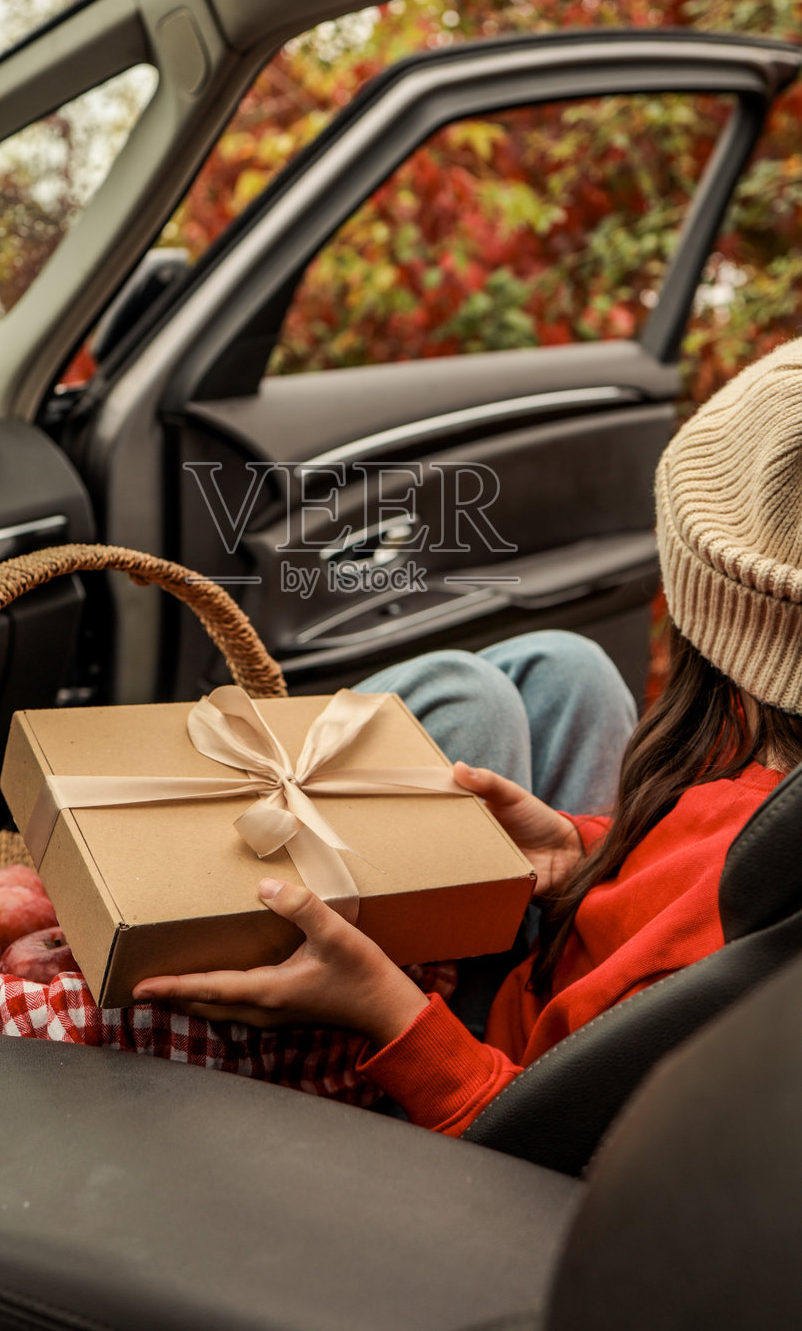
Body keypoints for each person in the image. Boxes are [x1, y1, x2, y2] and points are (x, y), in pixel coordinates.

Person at [127, 337, 802, 1132]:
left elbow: (537, 1128)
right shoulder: (755, 800)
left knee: (465, 695)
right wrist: (588, 856)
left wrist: (384, 1006)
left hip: (487, 1075)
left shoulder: (722, 901)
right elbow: (674, 890)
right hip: (551, 989)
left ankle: (164, 893)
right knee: (568, 667)